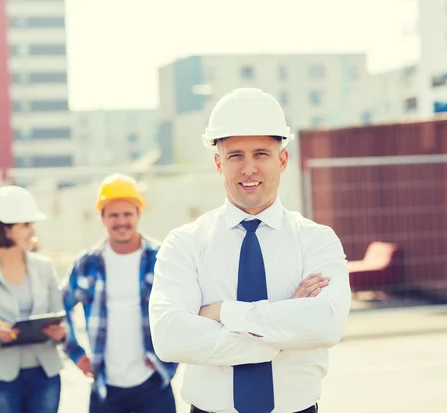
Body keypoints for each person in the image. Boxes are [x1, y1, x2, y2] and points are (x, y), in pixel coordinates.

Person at [149, 88, 352, 413]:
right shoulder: (184, 243)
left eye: (260, 154)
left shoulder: (317, 240)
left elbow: (327, 323)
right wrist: (282, 331)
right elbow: (170, 337)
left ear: (282, 159)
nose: (248, 168)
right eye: (235, 156)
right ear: (218, 163)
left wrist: (222, 313)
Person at [62, 174, 178, 413]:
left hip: (153, 381)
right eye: (113, 215)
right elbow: (60, 309)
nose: (121, 221)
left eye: (127, 214)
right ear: (102, 218)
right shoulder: (87, 263)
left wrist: (169, 357)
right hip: (106, 386)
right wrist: (77, 355)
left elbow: (184, 308)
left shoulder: (161, 258)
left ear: (138, 214)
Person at [0, 185, 66, 413]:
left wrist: (61, 333)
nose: (32, 231)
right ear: (6, 230)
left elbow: (61, 319)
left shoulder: (45, 268)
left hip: (44, 375)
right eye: (26, 225)